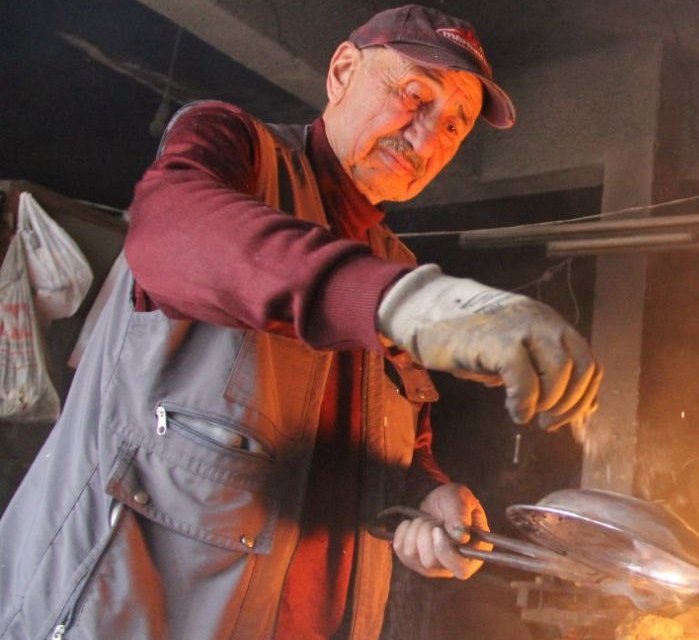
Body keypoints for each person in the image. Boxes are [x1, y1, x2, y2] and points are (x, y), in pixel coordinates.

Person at [0, 5, 600, 639]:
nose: (425, 139)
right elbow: (171, 233)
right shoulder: (236, 150)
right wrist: (409, 305)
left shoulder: (392, 261)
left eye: (453, 126)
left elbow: (386, 440)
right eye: (414, 96)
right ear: (342, 71)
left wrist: (424, 495)